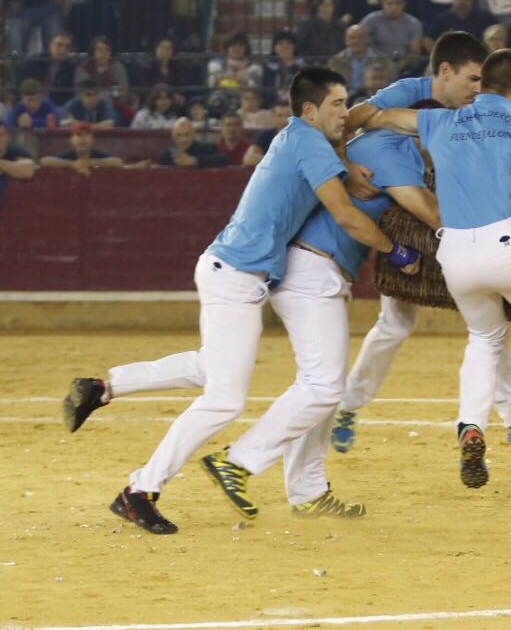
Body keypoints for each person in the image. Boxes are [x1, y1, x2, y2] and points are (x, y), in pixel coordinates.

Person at [65, 67, 419, 533]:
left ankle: (104, 387)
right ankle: (140, 490)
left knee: (210, 367)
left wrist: (346, 164)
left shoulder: (299, 137)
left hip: (231, 270)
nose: (345, 112)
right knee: (225, 400)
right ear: (310, 110)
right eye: (337, 104)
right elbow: (346, 217)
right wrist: (396, 250)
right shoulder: (310, 144)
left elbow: (335, 160)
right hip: (236, 276)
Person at [357, 48, 511, 488]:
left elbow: (378, 117)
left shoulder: (440, 121)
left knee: (485, 337)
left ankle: (471, 426)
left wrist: (346, 146)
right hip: (505, 245)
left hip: (453, 253)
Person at [360, 0, 425, 62]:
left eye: (397, 3)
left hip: (404, 62)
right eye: (389, 3)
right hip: (375, 61)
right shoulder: (372, 19)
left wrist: (398, 66)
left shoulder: (414, 23)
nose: (394, 7)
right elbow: (358, 39)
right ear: (383, 4)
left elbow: (415, 52)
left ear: (404, 4)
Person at [39, 123, 123, 177]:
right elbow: (44, 161)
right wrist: (72, 164)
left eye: (87, 135)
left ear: (92, 140)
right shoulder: (68, 155)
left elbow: (118, 162)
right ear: (71, 140)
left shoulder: (97, 154)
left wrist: (91, 162)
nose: (83, 138)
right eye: (79, 135)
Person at [154, 118, 230, 168]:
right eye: (178, 135)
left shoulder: (208, 148)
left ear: (194, 134)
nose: (183, 139)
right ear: (173, 137)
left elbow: (223, 159)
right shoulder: (166, 155)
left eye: (187, 134)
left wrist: (193, 161)